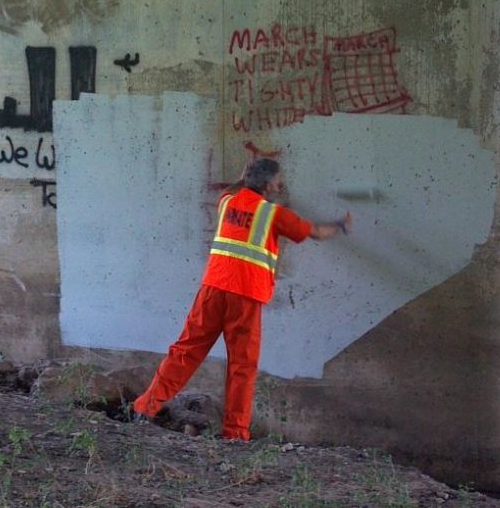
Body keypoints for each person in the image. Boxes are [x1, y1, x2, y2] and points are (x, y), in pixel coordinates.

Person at [130, 157, 350, 441]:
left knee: (185, 352)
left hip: (212, 289)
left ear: (246, 177)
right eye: (278, 180)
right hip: (245, 297)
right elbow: (317, 233)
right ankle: (234, 434)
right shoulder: (274, 215)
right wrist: (341, 225)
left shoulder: (226, 202)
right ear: (270, 184)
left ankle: (144, 408)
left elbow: (238, 188)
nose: (281, 184)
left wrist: (245, 174)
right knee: (242, 368)